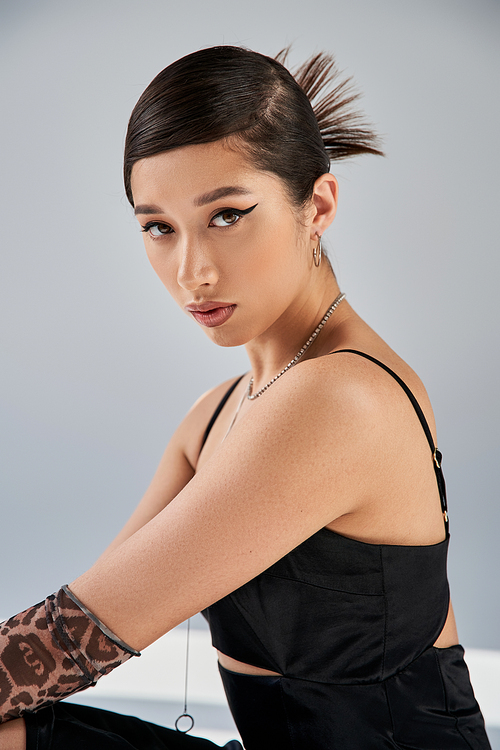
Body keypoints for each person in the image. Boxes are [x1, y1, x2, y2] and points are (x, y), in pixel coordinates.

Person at [0, 46, 491, 750]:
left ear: (317, 205)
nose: (192, 271)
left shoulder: (342, 397)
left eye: (226, 215)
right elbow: (84, 618)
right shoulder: (217, 414)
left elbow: (76, 637)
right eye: (158, 227)